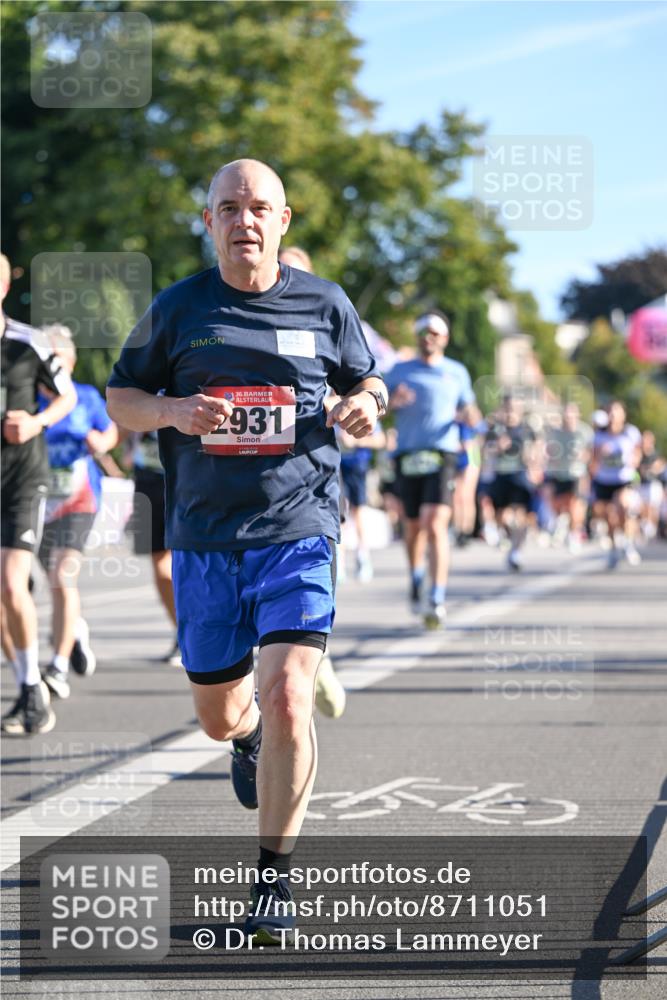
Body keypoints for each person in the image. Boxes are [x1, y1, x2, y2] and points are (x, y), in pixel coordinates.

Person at [106, 160, 386, 942]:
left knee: (291, 692)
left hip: (297, 528)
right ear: (208, 221)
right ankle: (247, 738)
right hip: (204, 538)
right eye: (228, 207)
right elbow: (119, 398)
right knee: (219, 716)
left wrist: (362, 408)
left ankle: (273, 879)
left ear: (283, 219)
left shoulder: (324, 302)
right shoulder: (180, 308)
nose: (244, 219)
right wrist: (171, 409)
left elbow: (368, 384)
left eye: (259, 206)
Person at [1, 254, 76, 735]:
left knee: (11, 582)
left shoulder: (27, 343)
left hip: (22, 478)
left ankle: (31, 689)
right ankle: (29, 685)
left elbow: (66, 396)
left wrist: (35, 422)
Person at [277, 245, 348, 719]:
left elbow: (362, 380)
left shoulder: (325, 314)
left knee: (300, 623)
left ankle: (315, 653)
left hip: (312, 495)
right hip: (242, 498)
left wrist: (348, 404)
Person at [36, 326, 119, 699]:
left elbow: (111, 429)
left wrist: (102, 441)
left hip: (80, 500)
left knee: (60, 574)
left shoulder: (84, 397)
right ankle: (75, 629)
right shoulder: (23, 398)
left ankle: (56, 666)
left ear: (69, 361)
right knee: (49, 578)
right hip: (36, 503)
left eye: (56, 360)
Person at [385, 311, 477, 628]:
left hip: (443, 454)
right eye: (424, 331)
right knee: (412, 528)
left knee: (435, 522)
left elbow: (470, 408)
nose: (429, 337)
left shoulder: (457, 372)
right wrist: (392, 402)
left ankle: (437, 595)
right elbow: (379, 406)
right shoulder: (399, 370)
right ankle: (416, 576)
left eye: (435, 333)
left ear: (445, 339)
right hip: (408, 454)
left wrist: (470, 416)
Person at [121, 425, 181, 665]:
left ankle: (197, 631)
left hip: (181, 480)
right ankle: (182, 631)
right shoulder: (141, 389)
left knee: (183, 562)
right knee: (159, 566)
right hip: (146, 483)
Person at [485, 395, 541, 571]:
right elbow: (483, 450)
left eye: (514, 408)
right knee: (502, 517)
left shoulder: (527, 429)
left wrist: (533, 461)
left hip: (520, 475)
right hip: (501, 475)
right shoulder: (495, 429)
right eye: (508, 408)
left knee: (521, 515)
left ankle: (516, 552)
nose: (511, 412)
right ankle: (510, 541)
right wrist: (497, 448)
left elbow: (538, 450)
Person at [590, 401, 642, 568]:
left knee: (624, 507)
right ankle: (613, 548)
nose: (613, 415)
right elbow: (592, 461)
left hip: (623, 479)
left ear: (623, 414)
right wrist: (599, 454)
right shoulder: (599, 435)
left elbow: (638, 452)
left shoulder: (630, 432)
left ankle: (628, 543)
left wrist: (634, 461)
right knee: (608, 517)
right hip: (604, 479)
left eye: (616, 411)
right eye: (610, 411)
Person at [542, 402, 593, 553]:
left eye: (571, 414)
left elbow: (590, 452)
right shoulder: (555, 432)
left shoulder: (584, 431)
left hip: (576, 473)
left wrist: (583, 456)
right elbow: (547, 450)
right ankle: (562, 524)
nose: (568, 417)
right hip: (558, 473)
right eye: (566, 414)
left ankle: (573, 535)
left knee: (574, 505)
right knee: (557, 505)